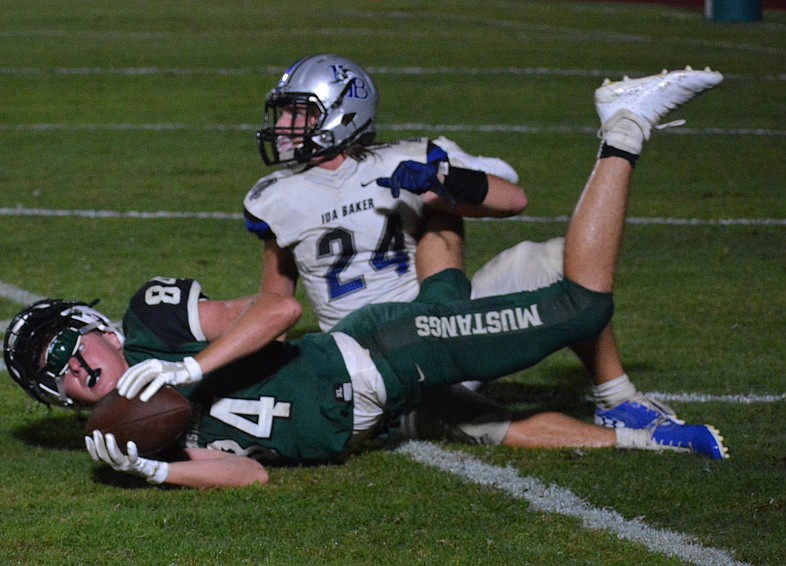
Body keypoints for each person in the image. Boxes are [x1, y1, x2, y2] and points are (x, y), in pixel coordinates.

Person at [4, 67, 728, 490]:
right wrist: (154, 471)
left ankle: (623, 127)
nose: (73, 369)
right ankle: (645, 441)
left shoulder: (157, 330)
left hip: (385, 349)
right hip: (380, 378)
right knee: (485, 414)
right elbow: (250, 477)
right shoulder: (139, 428)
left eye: (69, 346)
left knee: (578, 299)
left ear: (98, 329)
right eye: (54, 374)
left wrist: (443, 176)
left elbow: (268, 313)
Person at [244, 54, 682, 434]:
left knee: (550, 258)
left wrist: (441, 180)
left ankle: (617, 399)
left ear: (342, 114)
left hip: (448, 326)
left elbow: (514, 199)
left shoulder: (407, 156)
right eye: (283, 114)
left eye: (296, 114)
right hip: (370, 360)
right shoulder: (274, 197)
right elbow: (276, 302)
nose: (282, 126)